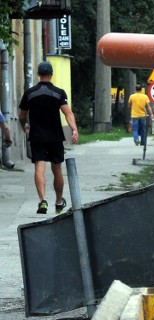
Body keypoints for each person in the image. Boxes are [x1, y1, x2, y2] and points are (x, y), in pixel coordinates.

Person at [19, 61, 79, 214]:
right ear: (51, 74)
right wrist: (74, 129)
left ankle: (42, 200)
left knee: (39, 167)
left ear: (38, 74)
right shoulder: (59, 93)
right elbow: (68, 113)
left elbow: (22, 115)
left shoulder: (30, 93)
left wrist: (24, 126)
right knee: (57, 168)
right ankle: (59, 202)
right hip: (55, 137)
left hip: (37, 136)